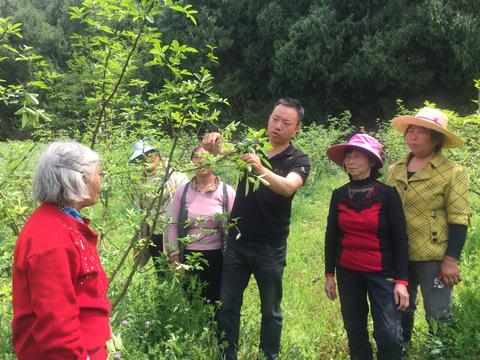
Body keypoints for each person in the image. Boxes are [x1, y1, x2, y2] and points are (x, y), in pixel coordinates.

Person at [203, 98, 310, 360]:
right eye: (275, 118)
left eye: (286, 123)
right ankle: (226, 355)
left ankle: (268, 356)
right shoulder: (253, 146)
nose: (278, 126)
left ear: (295, 129)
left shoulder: (298, 159)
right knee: (228, 304)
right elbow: (223, 151)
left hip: (270, 247)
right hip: (238, 242)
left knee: (270, 310)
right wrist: (214, 142)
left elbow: (287, 187)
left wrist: (260, 169)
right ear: (268, 118)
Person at [12, 141, 110, 360]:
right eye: (97, 174)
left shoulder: (62, 224)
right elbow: (56, 324)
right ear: (79, 178)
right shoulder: (50, 238)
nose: (100, 183)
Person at [387, 107, 470, 344]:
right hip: (399, 252)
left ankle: (440, 351)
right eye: (410, 130)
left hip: (434, 255)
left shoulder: (454, 172)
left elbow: (458, 217)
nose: (412, 135)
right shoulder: (396, 169)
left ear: (436, 139)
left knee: (438, 311)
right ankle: (402, 348)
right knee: (401, 305)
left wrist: (451, 259)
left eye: (421, 132)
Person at [323, 134, 409, 360]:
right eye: (347, 156)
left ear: (372, 161)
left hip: (382, 272)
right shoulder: (338, 195)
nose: (350, 160)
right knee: (354, 329)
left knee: (389, 335)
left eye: (357, 155)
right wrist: (329, 274)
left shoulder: (388, 195)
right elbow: (332, 235)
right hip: (347, 271)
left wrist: (401, 281)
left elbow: (400, 239)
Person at [166, 145, 235, 304]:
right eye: (197, 158)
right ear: (192, 162)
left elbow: (235, 225)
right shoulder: (182, 192)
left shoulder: (226, 191)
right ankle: (192, 328)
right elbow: (172, 224)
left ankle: (215, 328)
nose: (201, 162)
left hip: (219, 256)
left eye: (206, 158)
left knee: (217, 300)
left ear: (214, 161)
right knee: (192, 300)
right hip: (188, 256)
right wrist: (174, 254)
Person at [129, 140, 188, 271]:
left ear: (157, 154)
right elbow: (141, 211)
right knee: (162, 273)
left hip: (175, 233)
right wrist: (142, 238)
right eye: (141, 158)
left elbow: (187, 203)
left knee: (181, 273)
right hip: (154, 235)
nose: (145, 160)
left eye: (149, 155)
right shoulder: (140, 182)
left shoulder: (175, 175)